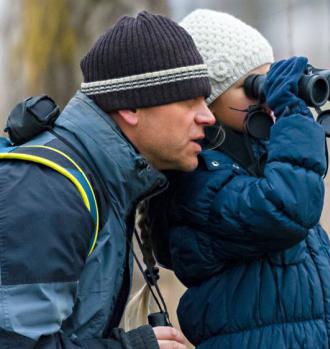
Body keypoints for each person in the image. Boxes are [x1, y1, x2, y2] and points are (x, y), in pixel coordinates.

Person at [142, 9, 330, 348]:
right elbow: (288, 209)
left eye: (269, 82)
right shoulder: (197, 185)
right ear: (207, 100)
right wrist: (292, 115)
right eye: (252, 87)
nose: (266, 97)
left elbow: (299, 293)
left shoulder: (260, 167)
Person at [0, 11, 215, 349]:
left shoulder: (103, 178)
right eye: (189, 101)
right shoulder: (51, 192)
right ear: (130, 107)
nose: (208, 116)